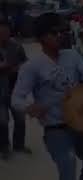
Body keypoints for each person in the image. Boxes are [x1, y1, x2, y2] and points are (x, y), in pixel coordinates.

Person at [11, 13, 83, 180]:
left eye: (62, 31)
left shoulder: (72, 56)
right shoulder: (32, 67)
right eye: (54, 32)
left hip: (81, 123)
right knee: (68, 166)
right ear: (41, 37)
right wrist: (31, 107)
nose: (60, 35)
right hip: (56, 128)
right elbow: (16, 99)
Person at [0, 19, 30, 160]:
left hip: (15, 89)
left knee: (20, 120)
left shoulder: (17, 47)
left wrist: (19, 68)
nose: (3, 34)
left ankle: (19, 145)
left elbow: (26, 62)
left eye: (6, 31)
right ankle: (4, 147)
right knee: (2, 121)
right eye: (1, 32)